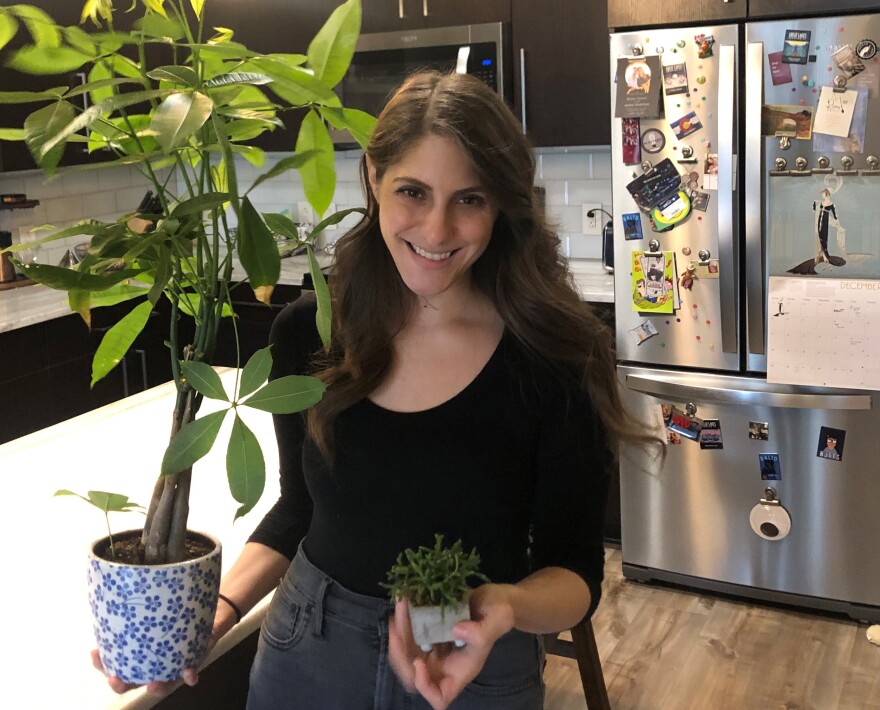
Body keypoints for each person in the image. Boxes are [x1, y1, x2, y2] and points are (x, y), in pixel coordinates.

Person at [96, 69, 658, 709]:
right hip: (310, 647)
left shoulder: (556, 354)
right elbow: (300, 509)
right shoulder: (308, 333)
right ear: (373, 178)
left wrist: (502, 607)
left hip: (472, 659)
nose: (438, 230)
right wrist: (215, 612)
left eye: (469, 199)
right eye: (413, 191)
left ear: (502, 204)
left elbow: (575, 571)